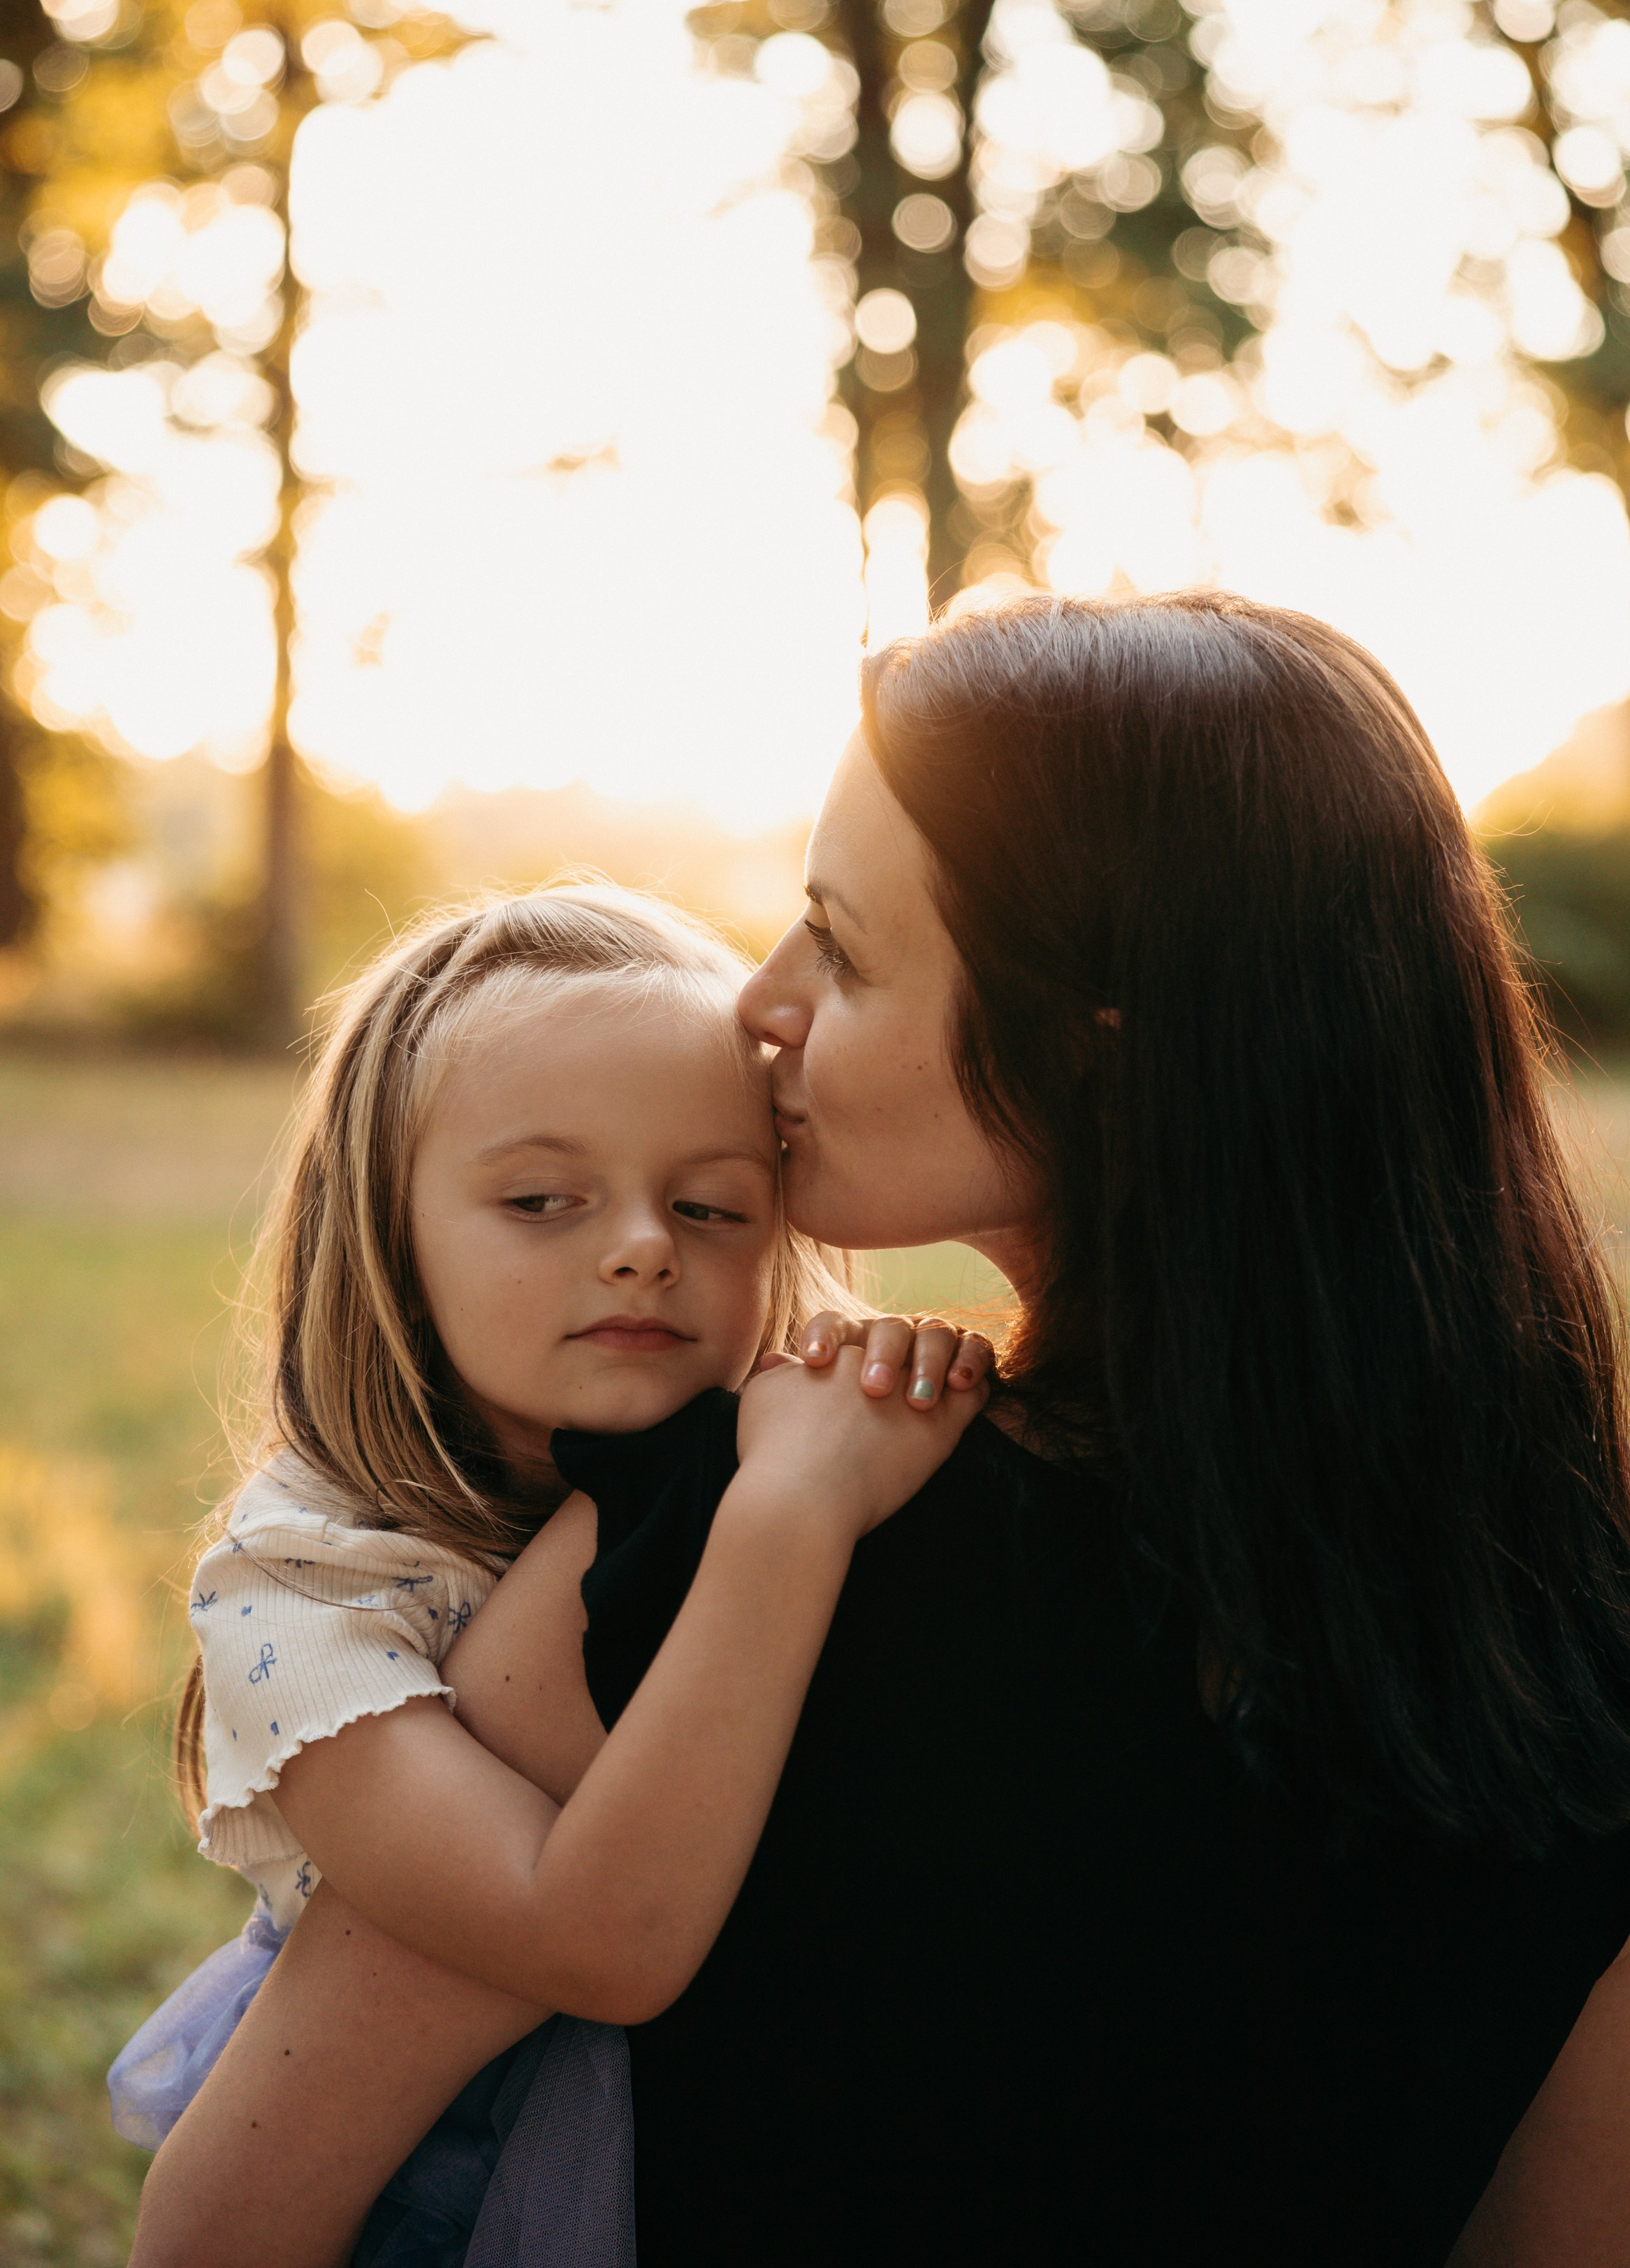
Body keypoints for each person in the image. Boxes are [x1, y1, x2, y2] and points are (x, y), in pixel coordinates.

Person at [133, 592, 1630, 2267]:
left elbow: (232, 2216)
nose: (760, 1003)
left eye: (839, 947)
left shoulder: (713, 1542)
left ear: (1092, 1044)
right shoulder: (1569, 1625)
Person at [113, 881, 989, 2262]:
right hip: (427, 2185)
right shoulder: (305, 1584)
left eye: (710, 1207)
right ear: (391, 1237)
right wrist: (793, 1512)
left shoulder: (757, 1426)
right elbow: (589, 1936)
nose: (644, 1244)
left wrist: (891, 1380)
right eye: (541, 1199)